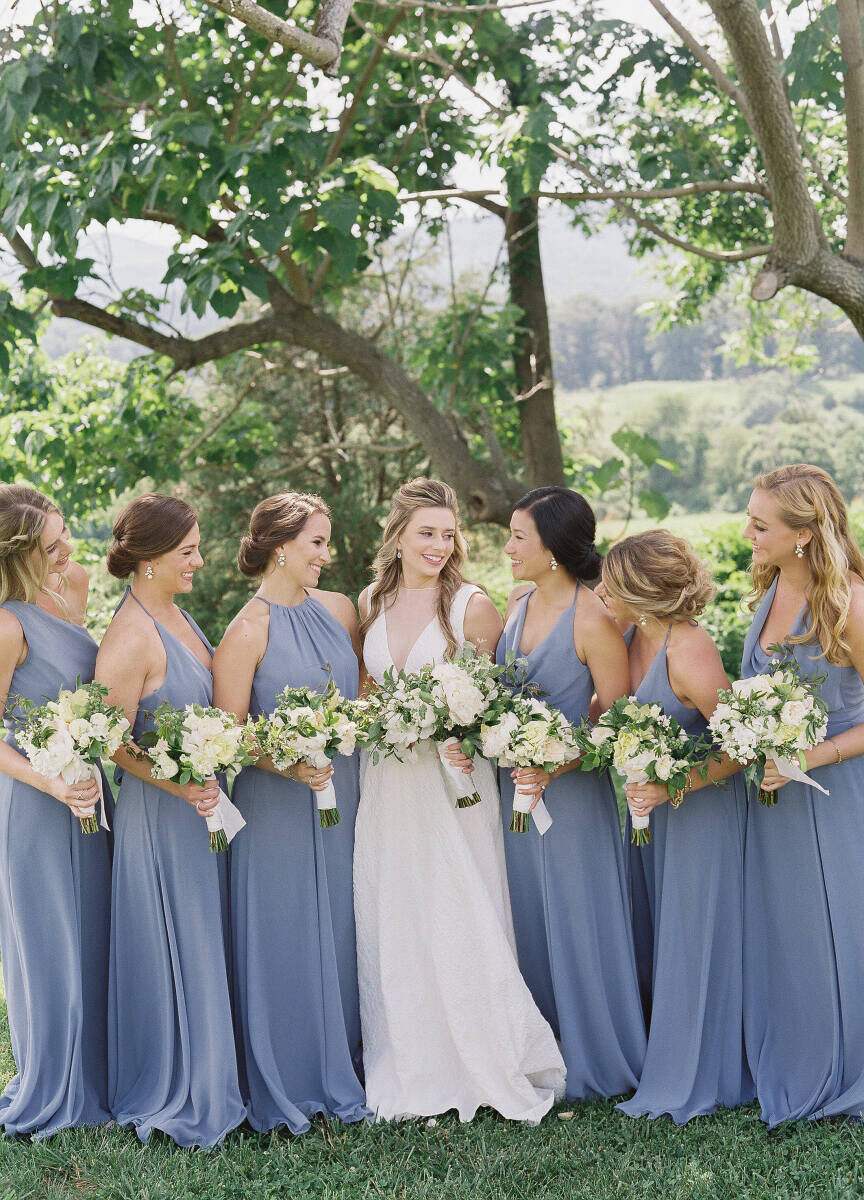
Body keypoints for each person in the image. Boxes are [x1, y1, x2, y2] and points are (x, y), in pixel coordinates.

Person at [354, 477, 565, 1123]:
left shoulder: (471, 606)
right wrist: (380, 719)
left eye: (448, 535)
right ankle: (409, 1060)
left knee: (458, 905)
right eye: (427, 533)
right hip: (387, 783)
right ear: (396, 536)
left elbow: (496, 705)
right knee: (394, 915)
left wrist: (450, 728)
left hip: (454, 787)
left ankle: (484, 1057)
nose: (440, 546)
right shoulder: (370, 599)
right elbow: (366, 688)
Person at [213, 492, 367, 1134]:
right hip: (276, 805)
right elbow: (228, 733)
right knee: (284, 928)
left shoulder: (339, 610)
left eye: (327, 543)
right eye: (316, 544)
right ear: (280, 547)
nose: (327, 557)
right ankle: (290, 1072)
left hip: (347, 792)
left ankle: (352, 1057)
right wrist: (288, 762)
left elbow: (365, 693)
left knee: (343, 921)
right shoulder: (246, 630)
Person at [96, 493, 245, 1147]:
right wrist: (181, 786)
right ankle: (184, 1083)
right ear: (151, 560)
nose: (200, 560)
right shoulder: (129, 636)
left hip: (200, 811)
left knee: (204, 940)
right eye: (188, 551)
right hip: (161, 815)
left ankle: (217, 1070)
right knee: (176, 942)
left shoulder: (175, 615)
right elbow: (111, 741)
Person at [497, 487, 646, 1101]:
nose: (506, 546)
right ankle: (539, 1047)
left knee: (578, 920)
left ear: (553, 549)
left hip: (573, 801)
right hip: (516, 796)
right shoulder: (516, 602)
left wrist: (557, 762)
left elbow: (617, 726)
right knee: (527, 917)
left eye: (517, 537)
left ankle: (596, 1056)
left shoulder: (593, 620)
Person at [600, 530, 751, 1123]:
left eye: (612, 582)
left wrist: (673, 785)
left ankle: (697, 1067)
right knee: (658, 927)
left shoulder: (689, 651)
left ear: (640, 590)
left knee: (693, 934)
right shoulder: (631, 636)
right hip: (652, 813)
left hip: (700, 813)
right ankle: (653, 1047)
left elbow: (742, 746)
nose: (602, 591)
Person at [738, 463, 864, 1126]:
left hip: (836, 796)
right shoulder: (769, 588)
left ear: (805, 535)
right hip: (774, 799)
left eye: (762, 525)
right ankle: (795, 1044)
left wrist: (811, 753)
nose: (748, 532)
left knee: (838, 929)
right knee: (789, 930)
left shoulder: (851, 603)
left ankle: (842, 1061)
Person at [0, 484, 111, 1138]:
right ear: (18, 552)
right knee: (49, 941)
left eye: (65, 533)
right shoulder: (7, 624)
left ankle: (96, 1070)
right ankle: (54, 1082)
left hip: (89, 789)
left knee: (92, 928)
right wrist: (50, 783)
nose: (67, 549)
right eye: (52, 543)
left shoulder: (73, 587)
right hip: (36, 803)